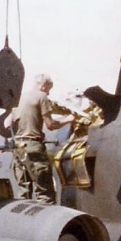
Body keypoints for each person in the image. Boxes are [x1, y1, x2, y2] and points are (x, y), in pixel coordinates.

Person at [12, 73, 74, 204]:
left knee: (24, 192)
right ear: (44, 85)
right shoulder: (42, 96)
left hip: (17, 147)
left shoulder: (19, 97)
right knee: (45, 192)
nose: (49, 93)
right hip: (33, 146)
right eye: (49, 89)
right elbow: (50, 125)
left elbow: (8, 123)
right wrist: (68, 119)